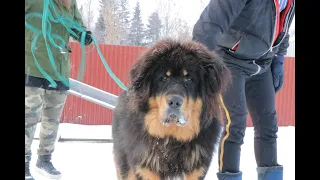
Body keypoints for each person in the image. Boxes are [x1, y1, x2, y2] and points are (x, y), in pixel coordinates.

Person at [192, 0, 294, 179]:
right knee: (236, 124)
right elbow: (212, 21)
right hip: (230, 61)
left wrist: (278, 59)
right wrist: (196, 61)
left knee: (268, 125)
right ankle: (229, 176)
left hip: (262, 64)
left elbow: (282, 28)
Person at [25, 0, 92, 179]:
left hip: (59, 69)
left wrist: (83, 34)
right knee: (29, 118)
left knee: (52, 120)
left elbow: (76, 25)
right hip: (32, 66)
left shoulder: (69, 2)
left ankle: (44, 159)